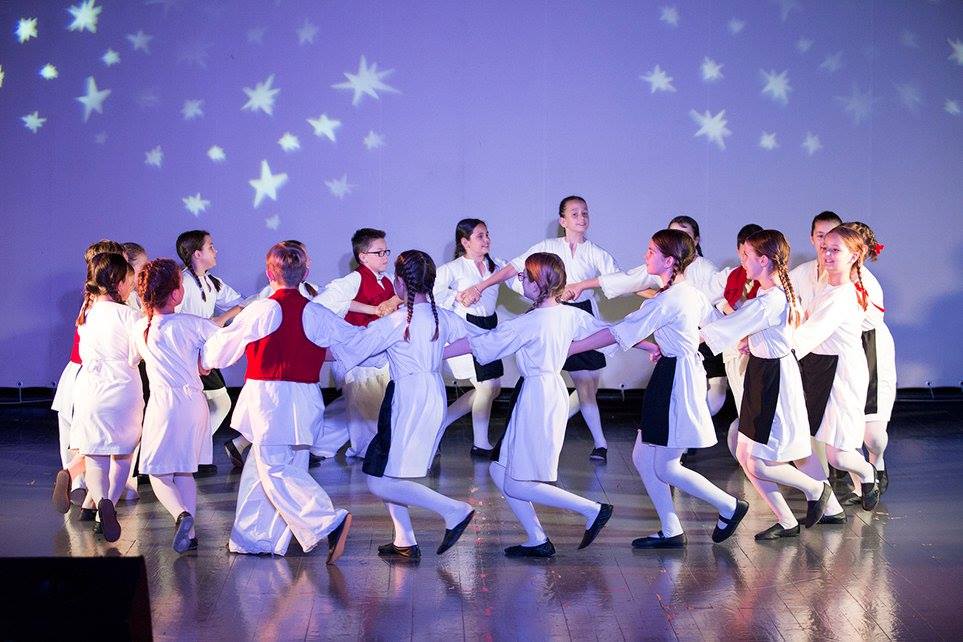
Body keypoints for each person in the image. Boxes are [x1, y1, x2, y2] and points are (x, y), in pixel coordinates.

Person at [568, 230, 748, 549]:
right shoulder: (687, 294)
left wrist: (571, 348)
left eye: (651, 251)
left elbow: (619, 332)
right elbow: (712, 324)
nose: (645, 255)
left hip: (676, 378)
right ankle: (670, 528)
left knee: (666, 466)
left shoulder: (670, 299)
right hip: (671, 372)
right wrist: (672, 343)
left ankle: (729, 506)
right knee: (642, 456)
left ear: (669, 261)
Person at [444, 252, 613, 558]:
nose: (519, 280)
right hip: (544, 392)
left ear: (538, 283)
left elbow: (482, 344)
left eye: (524, 277)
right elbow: (608, 332)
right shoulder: (569, 314)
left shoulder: (529, 322)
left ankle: (592, 509)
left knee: (518, 484)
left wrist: (434, 354)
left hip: (539, 397)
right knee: (499, 470)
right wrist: (648, 345)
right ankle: (537, 538)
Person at [202, 243, 354, 561]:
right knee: (264, 468)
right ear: (305, 273)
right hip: (304, 397)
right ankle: (254, 537)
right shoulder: (316, 312)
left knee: (273, 466)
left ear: (270, 273)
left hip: (269, 398)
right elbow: (353, 342)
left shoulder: (261, 309)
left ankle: (328, 521)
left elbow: (224, 345)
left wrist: (205, 360)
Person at [333, 250, 477, 560]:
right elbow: (476, 339)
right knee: (387, 469)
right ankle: (404, 539)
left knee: (378, 480)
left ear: (399, 282)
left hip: (407, 396)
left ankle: (454, 510)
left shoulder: (397, 321)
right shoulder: (441, 317)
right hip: (432, 392)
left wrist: (305, 347)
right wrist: (436, 354)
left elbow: (352, 349)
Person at [459, 196, 619, 461]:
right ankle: (595, 442)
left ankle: (579, 435)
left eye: (585, 213)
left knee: (588, 385)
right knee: (574, 383)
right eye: (574, 213)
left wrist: (583, 285)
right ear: (562, 220)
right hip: (552, 312)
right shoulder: (548, 247)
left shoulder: (596, 253)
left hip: (580, 314)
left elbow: (617, 280)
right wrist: (481, 286)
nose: (581, 218)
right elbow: (513, 267)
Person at [701, 230, 831, 540]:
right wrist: (752, 340)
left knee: (757, 461)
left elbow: (729, 326)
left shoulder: (770, 299)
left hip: (772, 380)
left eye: (747, 256)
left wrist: (695, 325)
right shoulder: (769, 295)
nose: (743, 261)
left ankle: (815, 489)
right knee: (746, 455)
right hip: (762, 374)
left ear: (763, 260)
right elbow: (757, 329)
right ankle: (786, 520)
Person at [55, 252, 144, 543]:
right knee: (123, 454)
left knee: (95, 454)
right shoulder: (131, 316)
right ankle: (108, 506)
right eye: (129, 280)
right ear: (119, 282)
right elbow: (136, 355)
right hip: (123, 389)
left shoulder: (87, 314)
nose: (132, 286)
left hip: (90, 389)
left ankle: (100, 498)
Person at [793, 226, 881, 521]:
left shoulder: (843, 295)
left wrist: (782, 353)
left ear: (854, 256)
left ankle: (868, 472)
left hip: (841, 373)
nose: (827, 254)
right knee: (805, 444)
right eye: (825, 248)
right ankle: (829, 506)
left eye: (835, 250)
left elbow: (811, 332)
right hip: (820, 369)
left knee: (838, 455)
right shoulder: (828, 286)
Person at [130, 258, 217, 553]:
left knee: (157, 471)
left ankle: (180, 515)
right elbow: (218, 349)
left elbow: (134, 358)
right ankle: (190, 535)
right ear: (177, 293)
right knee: (184, 471)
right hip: (195, 403)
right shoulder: (193, 324)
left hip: (164, 405)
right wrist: (204, 362)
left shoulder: (141, 327)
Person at [312, 229, 400, 460]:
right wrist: (373, 309)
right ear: (363, 256)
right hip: (358, 359)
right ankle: (368, 453)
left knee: (356, 408)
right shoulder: (354, 280)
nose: (385, 257)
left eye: (386, 251)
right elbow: (323, 304)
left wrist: (391, 302)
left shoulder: (388, 280)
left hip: (379, 356)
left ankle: (319, 445)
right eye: (379, 252)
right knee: (367, 408)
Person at [434, 218, 512, 456]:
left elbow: (518, 280)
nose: (486, 240)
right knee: (486, 386)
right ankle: (480, 443)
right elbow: (432, 294)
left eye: (487, 234)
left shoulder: (497, 265)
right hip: (464, 330)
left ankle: (440, 424)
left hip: (489, 328)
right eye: (480, 236)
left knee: (493, 388)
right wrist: (457, 296)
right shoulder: (452, 269)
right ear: (465, 242)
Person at [175, 230, 249, 475]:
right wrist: (217, 320)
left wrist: (226, 316)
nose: (215, 251)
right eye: (210, 246)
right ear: (197, 254)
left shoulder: (212, 282)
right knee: (215, 402)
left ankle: (193, 455)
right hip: (189, 355)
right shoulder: (183, 282)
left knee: (216, 403)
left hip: (204, 353)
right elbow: (175, 320)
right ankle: (190, 455)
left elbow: (242, 302)